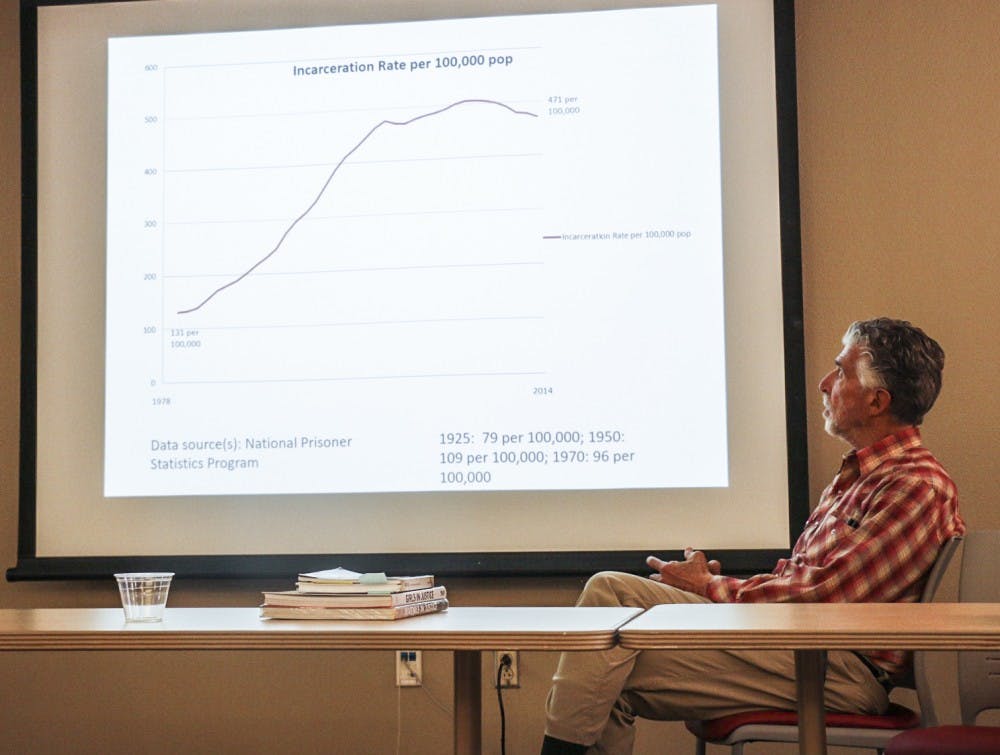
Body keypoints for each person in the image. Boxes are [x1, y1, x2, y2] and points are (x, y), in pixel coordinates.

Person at [541, 318, 965, 755]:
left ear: (876, 401)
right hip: (802, 649)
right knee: (600, 665)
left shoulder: (914, 486)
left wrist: (709, 587)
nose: (824, 384)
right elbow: (803, 585)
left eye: (840, 372)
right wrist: (717, 588)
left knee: (608, 609)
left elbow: (821, 598)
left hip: (839, 668)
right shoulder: (859, 475)